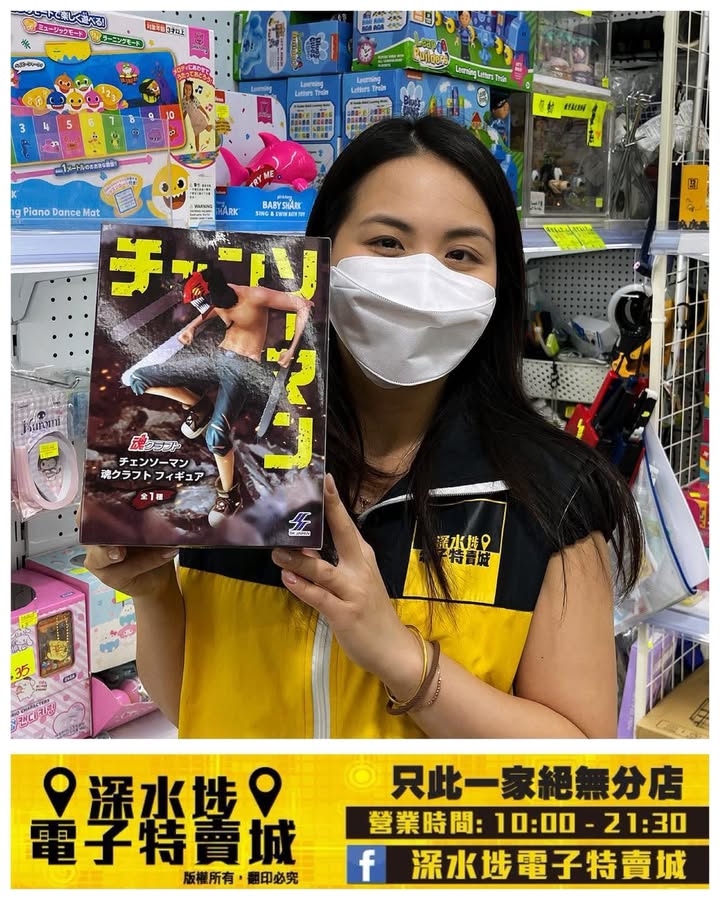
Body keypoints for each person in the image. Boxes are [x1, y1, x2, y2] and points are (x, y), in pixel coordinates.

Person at [84, 116, 643, 739]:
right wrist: (153, 591)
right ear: (322, 251)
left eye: (461, 254)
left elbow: (578, 756)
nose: (421, 280)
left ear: (500, 282)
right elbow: (193, 703)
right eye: (387, 243)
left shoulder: (552, 492)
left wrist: (398, 656)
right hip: (260, 806)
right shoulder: (262, 471)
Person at [127, 266, 312, 525]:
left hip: (243, 369)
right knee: (138, 378)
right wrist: (192, 326)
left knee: (216, 435)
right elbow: (212, 308)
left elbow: (303, 304)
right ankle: (199, 406)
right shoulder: (217, 299)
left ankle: (229, 494)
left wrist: (291, 349)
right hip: (218, 358)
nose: (210, 307)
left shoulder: (256, 296)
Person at [181, 78, 212, 153]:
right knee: (196, 136)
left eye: (189, 89)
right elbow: (185, 112)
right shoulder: (183, 101)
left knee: (208, 129)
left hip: (199, 118)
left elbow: (200, 107)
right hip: (194, 122)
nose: (188, 91)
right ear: (184, 89)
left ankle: (212, 126)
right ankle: (197, 152)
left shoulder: (194, 99)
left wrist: (206, 114)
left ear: (192, 91)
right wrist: (182, 121)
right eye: (186, 89)